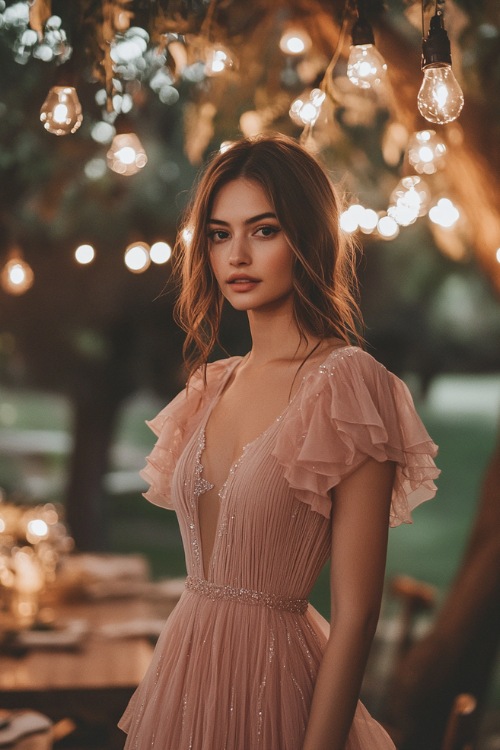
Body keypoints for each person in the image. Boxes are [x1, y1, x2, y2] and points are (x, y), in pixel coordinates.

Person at [119, 134, 440, 750]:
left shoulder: (346, 385)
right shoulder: (213, 382)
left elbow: (357, 617)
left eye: (263, 231)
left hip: (278, 692)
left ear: (308, 238)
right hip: (182, 679)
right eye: (219, 233)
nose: (237, 254)